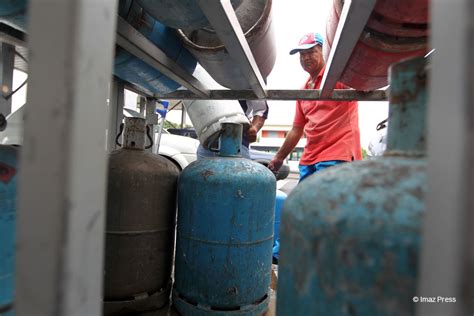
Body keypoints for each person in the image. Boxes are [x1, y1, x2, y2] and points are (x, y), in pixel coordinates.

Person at [268, 32, 362, 182]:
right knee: (304, 203)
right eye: (302, 54)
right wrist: (279, 157)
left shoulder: (338, 77)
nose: (305, 58)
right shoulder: (304, 91)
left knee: (326, 203)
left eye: (311, 52)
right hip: (309, 159)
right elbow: (297, 129)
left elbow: (362, 81)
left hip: (337, 153)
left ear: (324, 52)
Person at [197, 99, 269, 159]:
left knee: (236, 174)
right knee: (201, 174)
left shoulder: (248, 82)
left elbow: (261, 109)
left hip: (237, 139)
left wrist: (254, 128)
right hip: (208, 139)